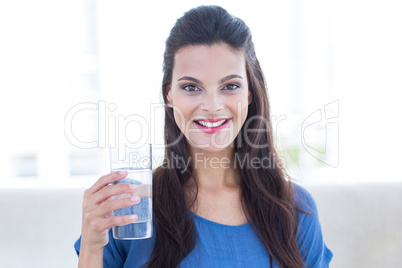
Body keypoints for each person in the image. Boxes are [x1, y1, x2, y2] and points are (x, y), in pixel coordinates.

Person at [75, 5, 333, 268]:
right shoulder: (133, 208)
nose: (212, 106)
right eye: (191, 87)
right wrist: (91, 247)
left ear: (250, 94)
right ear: (169, 95)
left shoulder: (294, 210)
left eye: (230, 86)